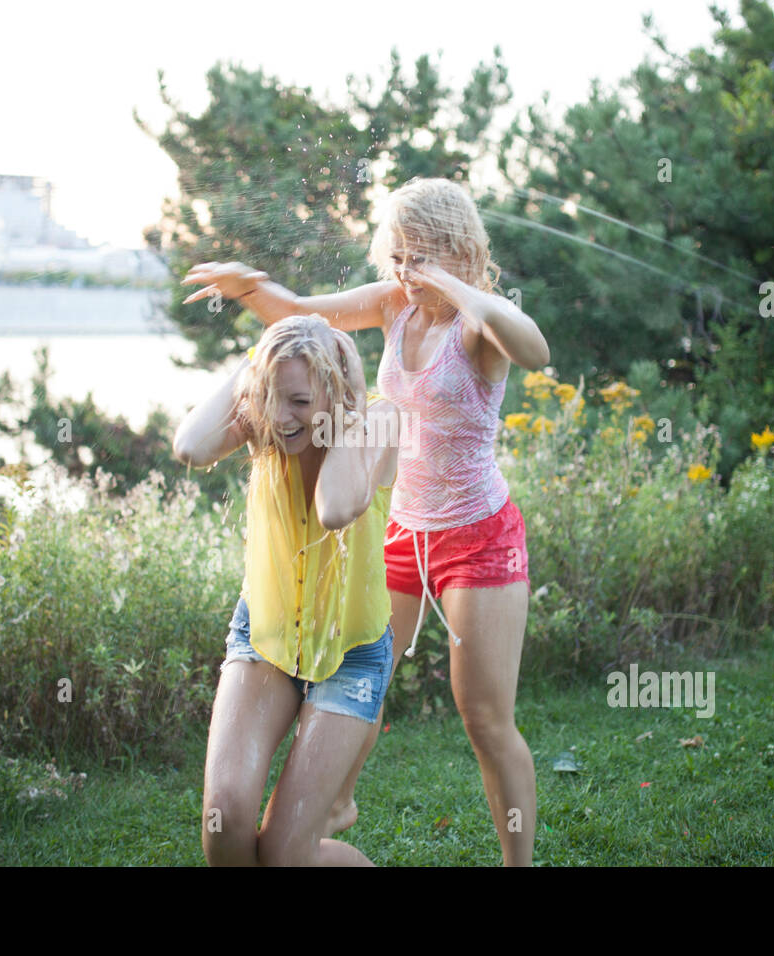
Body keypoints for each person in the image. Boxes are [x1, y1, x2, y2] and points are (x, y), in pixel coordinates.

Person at [182, 177, 549, 866]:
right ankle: (340, 796)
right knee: (364, 665)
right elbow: (294, 311)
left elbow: (535, 350)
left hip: (477, 534)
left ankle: (517, 864)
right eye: (399, 256)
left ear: (457, 250)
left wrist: (459, 286)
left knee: (485, 719)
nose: (406, 273)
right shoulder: (393, 306)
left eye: (422, 257)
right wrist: (248, 283)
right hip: (401, 528)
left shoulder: (479, 327)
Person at [173, 313, 401, 866]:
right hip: (265, 637)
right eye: (270, 396)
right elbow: (191, 446)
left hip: (351, 654)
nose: (280, 416)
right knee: (223, 820)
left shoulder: (381, 420)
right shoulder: (262, 421)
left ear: (335, 385)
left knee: (283, 856)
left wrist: (346, 407)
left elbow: (337, 506)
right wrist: (259, 361)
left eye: (298, 399)